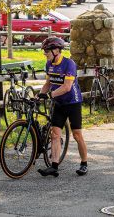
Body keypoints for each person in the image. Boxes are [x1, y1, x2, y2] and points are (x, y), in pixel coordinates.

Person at [37, 37, 88, 177]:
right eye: (44, 50)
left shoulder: (69, 64)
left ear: (56, 50)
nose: (44, 53)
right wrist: (40, 95)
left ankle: (84, 163)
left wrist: (51, 95)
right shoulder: (49, 64)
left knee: (77, 135)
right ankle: (54, 166)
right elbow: (48, 83)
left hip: (73, 103)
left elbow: (67, 87)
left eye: (47, 50)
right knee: (55, 134)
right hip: (59, 103)